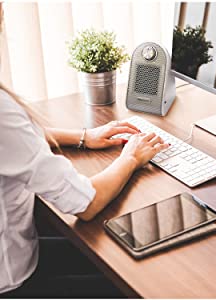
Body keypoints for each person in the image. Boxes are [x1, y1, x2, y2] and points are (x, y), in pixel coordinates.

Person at [0, 6, 168, 298]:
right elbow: (86, 203)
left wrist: (83, 137)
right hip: (15, 283)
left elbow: (14, 144)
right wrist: (130, 157)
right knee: (140, 281)